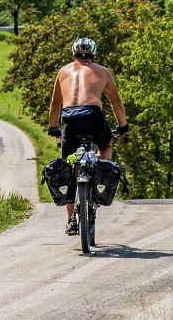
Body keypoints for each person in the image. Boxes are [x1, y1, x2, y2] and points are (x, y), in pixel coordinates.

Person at [47, 37, 128, 235]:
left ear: (73, 53)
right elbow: (116, 102)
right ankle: (102, 170)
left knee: (68, 164)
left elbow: (55, 104)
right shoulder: (102, 71)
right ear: (93, 53)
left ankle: (71, 221)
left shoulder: (63, 71)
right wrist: (123, 126)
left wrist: (53, 127)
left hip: (69, 119)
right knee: (106, 145)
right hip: (93, 116)